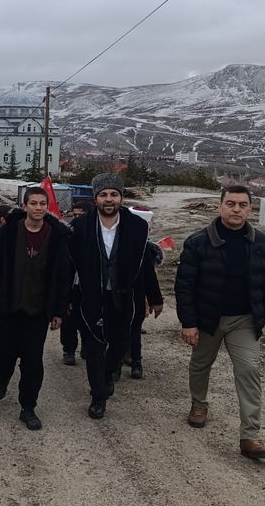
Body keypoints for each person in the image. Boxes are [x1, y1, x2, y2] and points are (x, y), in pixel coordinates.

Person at [175, 185, 265, 460]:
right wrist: (188, 323)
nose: (237, 209)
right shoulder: (197, 242)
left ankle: (250, 435)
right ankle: (199, 404)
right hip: (207, 318)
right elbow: (184, 286)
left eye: (242, 205)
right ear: (220, 206)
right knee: (200, 365)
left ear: (250, 209)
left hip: (244, 321)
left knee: (249, 370)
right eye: (231, 203)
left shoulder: (261, 243)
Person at [0, 188, 72, 430]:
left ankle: (28, 407)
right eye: (33, 203)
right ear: (25, 206)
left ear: (47, 207)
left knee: (32, 361)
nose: (38, 208)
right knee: (4, 352)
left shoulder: (57, 235)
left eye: (42, 204)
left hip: (37, 310)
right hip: (8, 305)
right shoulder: (9, 231)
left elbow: (63, 275)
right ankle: (5, 374)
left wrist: (58, 311)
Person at [67, 173, 150, 420]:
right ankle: (98, 396)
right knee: (93, 346)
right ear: (96, 199)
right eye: (103, 195)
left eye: (113, 194)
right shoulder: (80, 227)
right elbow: (69, 266)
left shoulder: (138, 227)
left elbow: (144, 266)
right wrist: (66, 299)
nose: (109, 199)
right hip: (91, 295)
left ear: (121, 197)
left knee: (120, 344)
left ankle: (107, 374)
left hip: (125, 296)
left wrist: (151, 297)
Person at [121, 207, 165, 380]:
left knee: (134, 331)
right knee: (118, 331)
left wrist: (156, 299)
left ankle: (136, 362)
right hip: (118, 297)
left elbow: (150, 277)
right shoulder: (114, 245)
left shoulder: (143, 250)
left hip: (137, 297)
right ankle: (116, 364)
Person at [61, 201, 94, 366]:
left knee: (89, 317)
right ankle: (69, 350)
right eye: (74, 215)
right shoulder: (68, 236)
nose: (76, 219)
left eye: (80, 215)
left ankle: (87, 347)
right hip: (71, 284)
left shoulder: (97, 235)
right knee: (68, 319)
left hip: (90, 285)